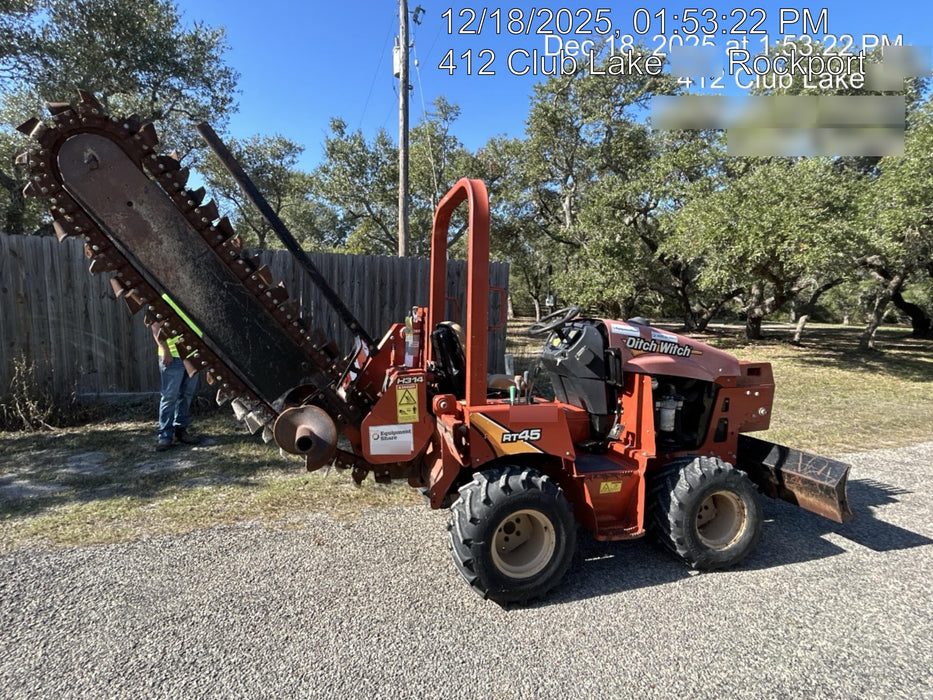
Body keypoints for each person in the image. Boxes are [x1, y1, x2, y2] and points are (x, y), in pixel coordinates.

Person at [152, 321, 200, 451]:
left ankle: (181, 430)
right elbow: (156, 327)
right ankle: (165, 436)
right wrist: (165, 350)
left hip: (192, 355)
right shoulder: (165, 300)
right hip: (172, 357)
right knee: (169, 396)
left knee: (186, 395)